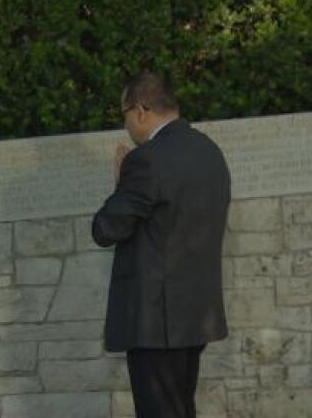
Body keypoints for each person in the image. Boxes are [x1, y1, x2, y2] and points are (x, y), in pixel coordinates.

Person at [92, 73, 231, 418]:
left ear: (141, 110)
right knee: (181, 409)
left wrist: (121, 182)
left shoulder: (146, 160)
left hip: (155, 321)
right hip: (195, 313)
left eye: (124, 114)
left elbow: (106, 228)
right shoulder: (209, 151)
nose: (125, 125)